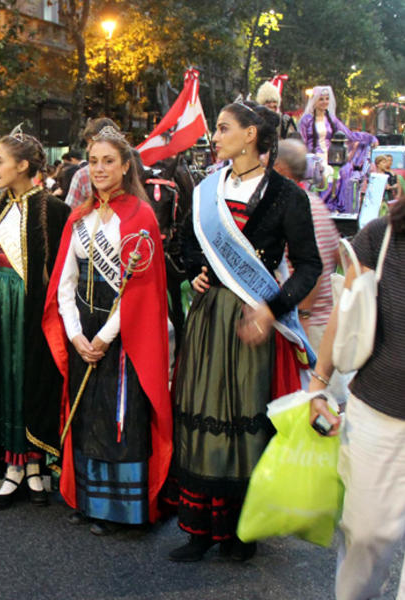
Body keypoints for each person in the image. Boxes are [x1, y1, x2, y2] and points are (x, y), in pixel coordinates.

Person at [170, 101, 321, 562]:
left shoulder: (287, 196)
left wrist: (272, 309)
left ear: (252, 134)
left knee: (244, 422)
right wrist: (194, 270)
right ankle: (197, 527)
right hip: (210, 317)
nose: (215, 136)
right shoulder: (206, 189)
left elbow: (309, 266)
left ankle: (241, 531)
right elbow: (184, 245)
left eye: (223, 128)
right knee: (200, 411)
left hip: (253, 322)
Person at [41, 125, 172, 534]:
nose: (99, 168)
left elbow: (139, 291)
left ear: (125, 165)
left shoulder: (141, 215)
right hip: (85, 327)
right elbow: (64, 281)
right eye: (93, 161)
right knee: (87, 415)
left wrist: (102, 337)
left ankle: (120, 509)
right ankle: (87, 498)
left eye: (108, 161)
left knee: (120, 416)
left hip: (121, 334)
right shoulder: (79, 216)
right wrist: (77, 334)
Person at [0, 127, 71, 509]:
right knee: (3, 382)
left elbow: (61, 278)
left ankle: (35, 466)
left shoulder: (55, 211)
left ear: (23, 165)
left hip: (30, 312)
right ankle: (12, 468)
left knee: (32, 382)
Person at [308, 201, 405, 600]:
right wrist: (319, 383)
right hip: (377, 414)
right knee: (365, 535)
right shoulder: (382, 237)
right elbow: (343, 314)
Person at [274, 139, 340, 349]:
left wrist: (303, 315)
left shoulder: (301, 205)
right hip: (310, 322)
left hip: (310, 326)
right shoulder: (311, 201)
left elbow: (314, 267)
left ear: (280, 169)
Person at [64, 117, 121, 209]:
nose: (87, 149)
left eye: (91, 143)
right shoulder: (82, 175)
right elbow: (71, 215)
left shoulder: (83, 175)